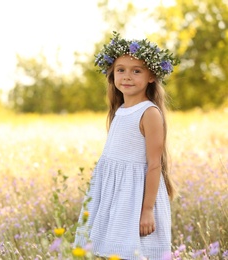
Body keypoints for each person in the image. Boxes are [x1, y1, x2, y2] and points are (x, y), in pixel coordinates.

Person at [73, 32, 180, 260]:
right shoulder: (120, 111)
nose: (127, 76)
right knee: (108, 251)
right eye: (120, 70)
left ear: (151, 76)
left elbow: (153, 165)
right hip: (113, 195)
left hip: (135, 198)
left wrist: (147, 210)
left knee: (133, 252)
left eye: (136, 71)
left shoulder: (149, 113)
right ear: (112, 74)